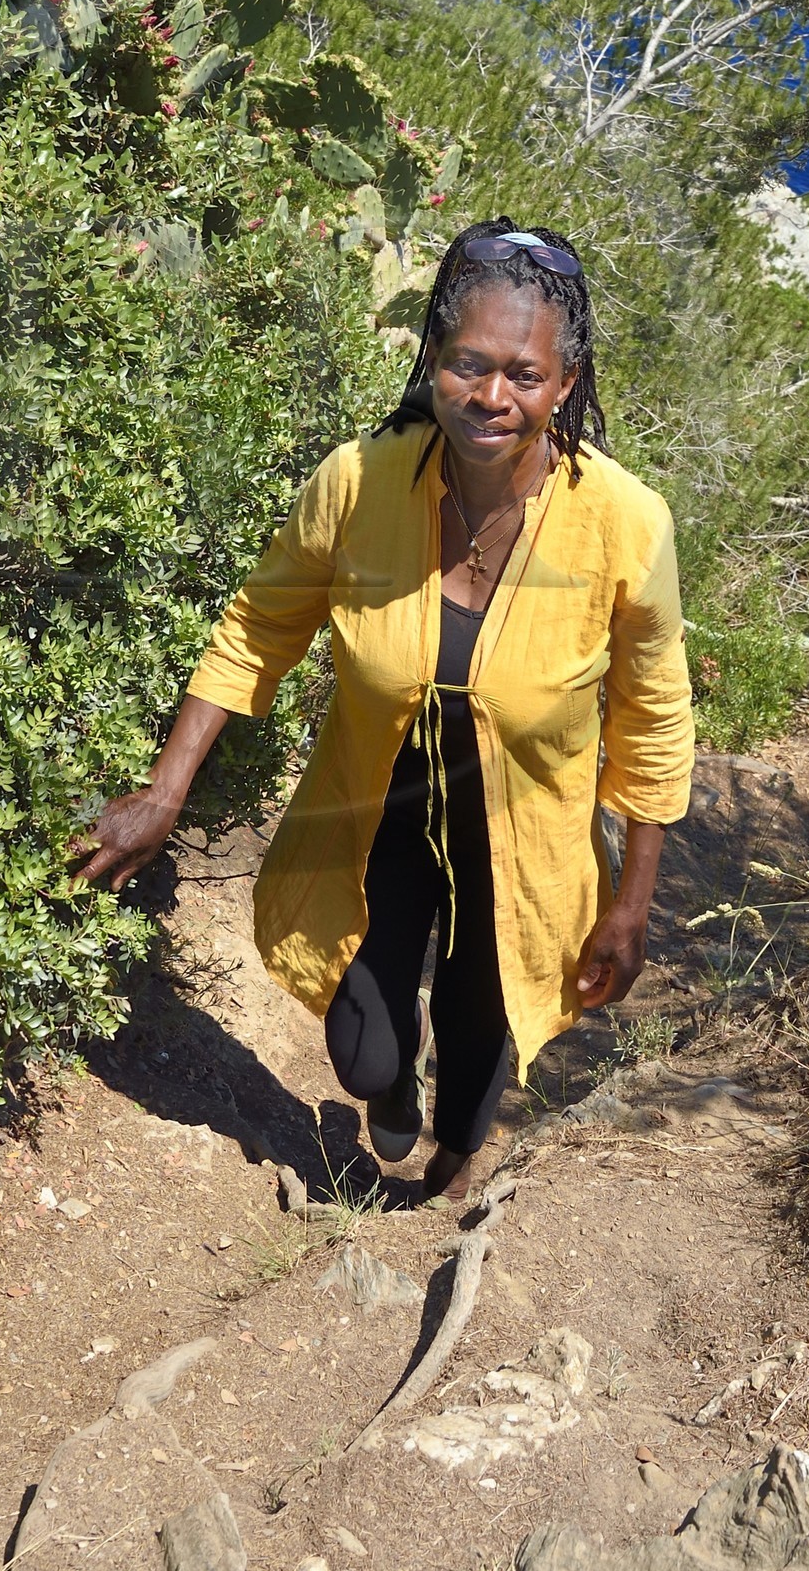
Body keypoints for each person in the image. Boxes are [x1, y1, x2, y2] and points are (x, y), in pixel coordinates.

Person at [76, 219, 694, 1201]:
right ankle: (393, 1091)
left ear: (564, 383)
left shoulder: (623, 523)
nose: (494, 396)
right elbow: (256, 628)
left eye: (524, 376)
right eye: (471, 364)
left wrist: (628, 908)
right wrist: (165, 786)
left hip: (527, 837)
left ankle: (454, 1160)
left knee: (480, 1026)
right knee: (365, 1059)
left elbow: (653, 719)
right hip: (377, 815)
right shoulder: (359, 483)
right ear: (434, 359)